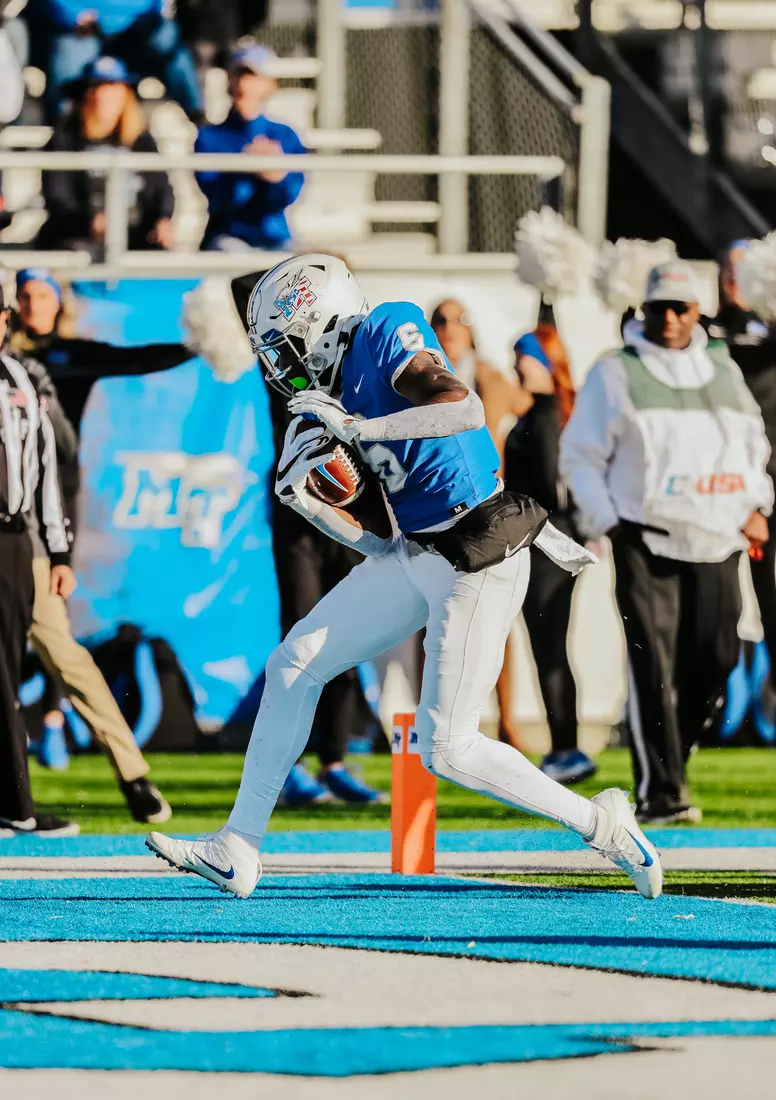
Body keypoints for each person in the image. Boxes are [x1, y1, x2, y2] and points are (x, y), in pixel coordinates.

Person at [146, 252, 663, 902]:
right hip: (418, 552)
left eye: (286, 348)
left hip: (479, 548)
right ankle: (238, 847)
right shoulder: (331, 398)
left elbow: (461, 408)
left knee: (446, 746)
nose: (284, 368)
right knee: (293, 663)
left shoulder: (387, 327)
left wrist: (359, 431)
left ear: (318, 322)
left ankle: (602, 822)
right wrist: (309, 503)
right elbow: (379, 539)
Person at [561, 260, 772, 824]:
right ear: (646, 309)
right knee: (650, 662)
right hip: (642, 538)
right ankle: (662, 792)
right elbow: (581, 453)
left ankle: (677, 745)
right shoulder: (615, 372)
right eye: (660, 308)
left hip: (716, 537)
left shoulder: (723, 368)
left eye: (681, 308)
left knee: (719, 654)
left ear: (698, 311)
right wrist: (603, 521)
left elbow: (750, 442)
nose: (671, 319)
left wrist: (757, 503)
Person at [6, 267, 197, 824]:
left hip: (37, 526)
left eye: (43, 293)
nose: (32, 303)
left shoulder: (59, 360)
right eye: (24, 294)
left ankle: (130, 773)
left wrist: (204, 343)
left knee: (62, 649)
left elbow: (135, 361)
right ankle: (35, 755)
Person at [230, 269, 385, 807]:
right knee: (300, 632)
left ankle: (336, 758)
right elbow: (244, 291)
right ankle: (290, 766)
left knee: (345, 637)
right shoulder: (288, 367)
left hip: (348, 519)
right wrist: (299, 279)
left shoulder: (354, 369)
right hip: (300, 519)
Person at [429, 298, 529, 750]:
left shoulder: (486, 377)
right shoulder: (418, 377)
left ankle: (506, 721)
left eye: (459, 320)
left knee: (496, 625)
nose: (450, 328)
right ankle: (429, 722)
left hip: (484, 512)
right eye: (440, 320)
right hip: (433, 516)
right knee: (431, 625)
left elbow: (528, 406)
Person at [0, 285, 79, 836]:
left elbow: (48, 472)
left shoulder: (22, 378)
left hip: (9, 540)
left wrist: (57, 550)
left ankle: (15, 802)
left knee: (4, 670)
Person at [506, 323, 596, 785]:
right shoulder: (546, 412)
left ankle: (567, 747)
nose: (516, 364)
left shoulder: (546, 415)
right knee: (548, 647)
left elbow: (547, 489)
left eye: (523, 355)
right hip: (546, 544)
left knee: (550, 647)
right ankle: (565, 745)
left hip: (546, 547)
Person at [709, 242, 776, 723]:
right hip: (719, 490)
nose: (734, 280)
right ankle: (709, 705)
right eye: (727, 270)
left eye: (744, 271)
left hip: (769, 491)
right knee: (716, 613)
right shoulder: (700, 332)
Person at [36, 56, 175, 258]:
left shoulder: (142, 141)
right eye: (95, 87)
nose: (102, 95)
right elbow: (58, 197)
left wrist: (163, 219)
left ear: (125, 94)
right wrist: (90, 221)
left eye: (111, 86)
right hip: (77, 238)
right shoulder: (64, 139)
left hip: (136, 236)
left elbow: (162, 189)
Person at [195, 45, 305, 252]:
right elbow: (218, 197)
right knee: (231, 256)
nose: (244, 84)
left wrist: (275, 176)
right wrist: (246, 164)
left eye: (253, 77)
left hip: (274, 237)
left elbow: (289, 195)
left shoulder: (285, 135)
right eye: (239, 75)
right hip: (227, 235)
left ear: (270, 84)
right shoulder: (209, 137)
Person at [27, 0, 202, 124]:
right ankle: (61, 129)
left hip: (135, 29)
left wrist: (149, 17)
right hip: (77, 27)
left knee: (166, 37)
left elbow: (155, 7)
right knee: (67, 63)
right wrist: (72, 16)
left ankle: (197, 117)